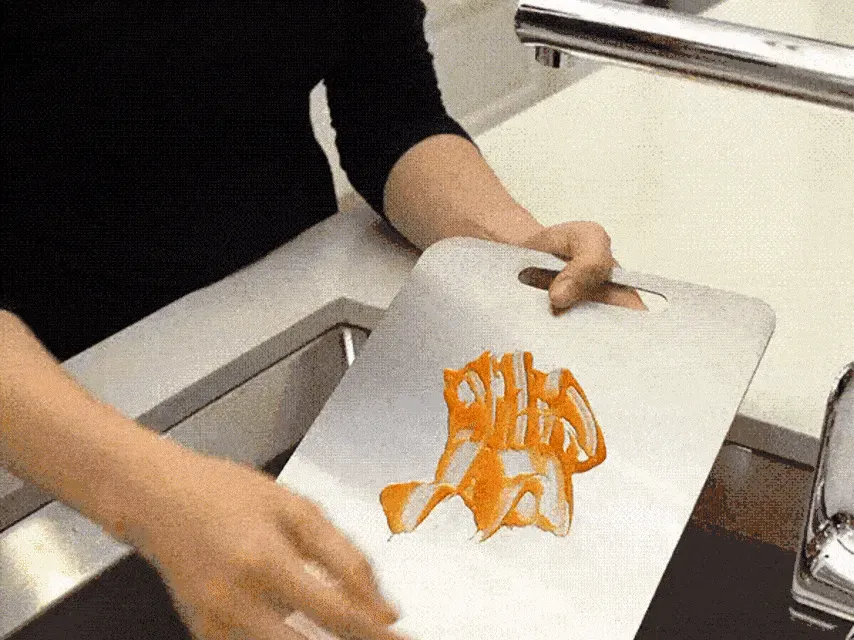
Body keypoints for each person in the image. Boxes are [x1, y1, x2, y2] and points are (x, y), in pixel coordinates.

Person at [1, 2, 643, 639]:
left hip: (295, 334)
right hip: (50, 422)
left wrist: (511, 250)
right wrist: (154, 496)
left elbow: (392, 112)